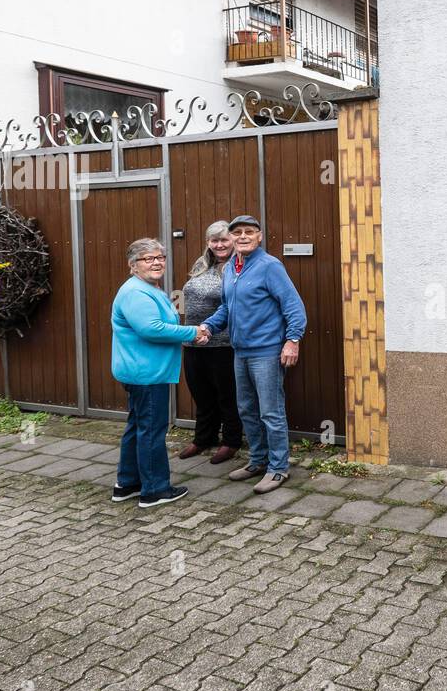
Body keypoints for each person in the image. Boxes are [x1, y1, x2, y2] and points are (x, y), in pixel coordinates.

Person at [198, 215, 306, 495]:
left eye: (249, 232)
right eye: (237, 233)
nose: (242, 237)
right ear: (231, 238)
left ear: (259, 237)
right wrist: (210, 325)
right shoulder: (232, 268)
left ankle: (279, 468)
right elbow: (227, 307)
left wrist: (292, 340)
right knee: (246, 409)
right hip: (240, 351)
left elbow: (293, 305)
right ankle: (257, 461)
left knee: (271, 411)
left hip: (267, 351)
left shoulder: (269, 266)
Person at [110, 237, 203, 509]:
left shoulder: (147, 288)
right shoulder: (136, 292)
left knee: (138, 427)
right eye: (148, 259)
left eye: (160, 257)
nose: (157, 262)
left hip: (141, 371)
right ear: (133, 265)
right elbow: (152, 328)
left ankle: (127, 484)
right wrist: (193, 332)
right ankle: (154, 490)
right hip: (147, 373)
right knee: (151, 430)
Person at [178, 220, 243, 464]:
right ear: (208, 243)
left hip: (223, 344)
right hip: (194, 341)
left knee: (227, 396)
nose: (219, 244)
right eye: (214, 240)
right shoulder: (202, 264)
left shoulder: (238, 266)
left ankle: (231, 441)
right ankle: (203, 438)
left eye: (224, 239)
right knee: (201, 394)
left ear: (233, 241)